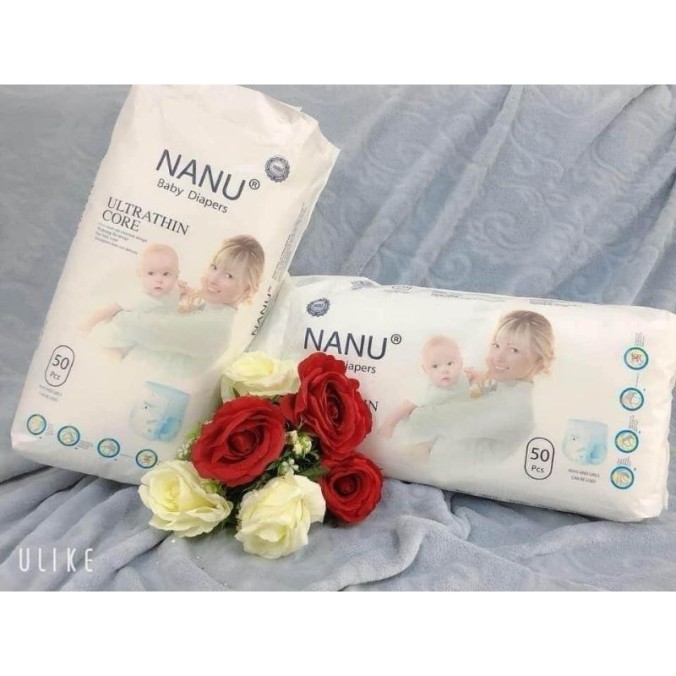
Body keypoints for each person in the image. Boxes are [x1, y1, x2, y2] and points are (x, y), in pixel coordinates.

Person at [394, 310, 555, 474]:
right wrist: (463, 381)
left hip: (445, 473)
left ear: (539, 361)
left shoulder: (513, 407)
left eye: (514, 350)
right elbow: (471, 396)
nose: (498, 357)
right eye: (496, 345)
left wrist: (410, 410)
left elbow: (426, 420)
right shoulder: (504, 386)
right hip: (433, 465)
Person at [97, 235, 265, 380]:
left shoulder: (213, 326)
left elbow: (130, 325)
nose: (213, 279)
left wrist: (119, 310)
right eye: (214, 267)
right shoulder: (207, 311)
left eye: (228, 275)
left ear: (247, 290)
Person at [379, 335, 472, 440]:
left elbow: (469, 377)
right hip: (427, 431)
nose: (444, 370)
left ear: (460, 363)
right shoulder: (428, 391)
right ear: (425, 370)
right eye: (435, 366)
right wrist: (389, 424)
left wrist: (470, 374)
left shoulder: (462, 377)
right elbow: (404, 407)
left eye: (450, 363)